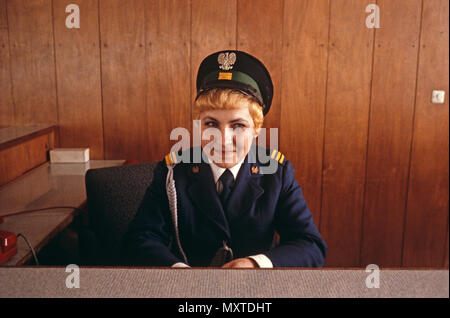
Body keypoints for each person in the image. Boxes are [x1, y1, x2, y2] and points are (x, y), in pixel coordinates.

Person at [121, 50, 327, 268]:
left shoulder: (275, 172)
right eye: (211, 124)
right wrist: (178, 272)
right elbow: (140, 239)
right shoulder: (173, 170)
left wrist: (255, 263)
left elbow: (310, 245)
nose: (223, 140)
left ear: (256, 129)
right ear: (198, 125)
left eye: (238, 125)